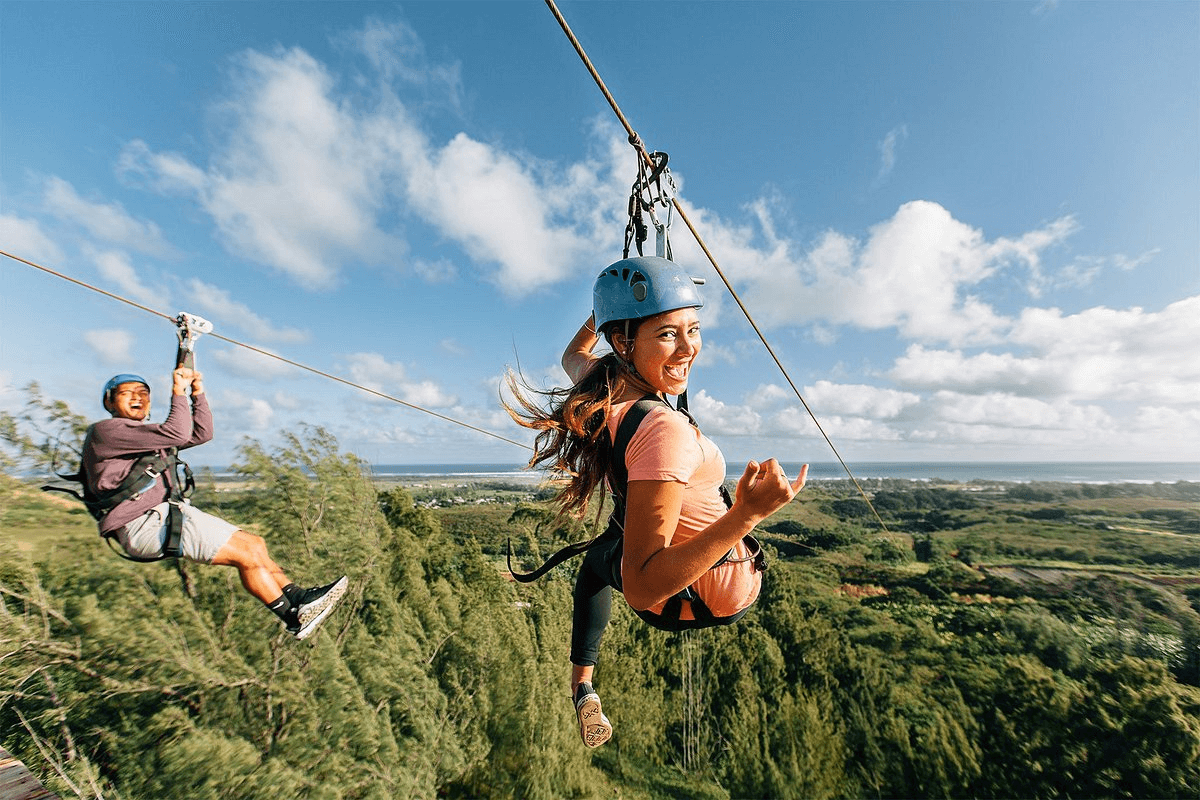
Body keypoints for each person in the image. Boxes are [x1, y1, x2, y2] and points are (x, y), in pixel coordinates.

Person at [507, 256, 808, 748]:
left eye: (694, 329)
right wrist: (747, 515)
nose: (689, 348)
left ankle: (582, 684)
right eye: (668, 334)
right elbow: (643, 587)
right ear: (624, 342)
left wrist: (607, 312)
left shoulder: (601, 385)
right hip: (707, 591)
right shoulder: (663, 430)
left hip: (686, 586)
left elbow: (573, 353)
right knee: (606, 562)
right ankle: (582, 684)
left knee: (595, 566)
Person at [79, 367, 347, 640]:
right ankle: (293, 617)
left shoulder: (144, 437)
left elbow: (201, 433)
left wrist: (197, 392)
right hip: (146, 523)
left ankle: (298, 597)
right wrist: (178, 391)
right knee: (246, 555)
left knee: (255, 544)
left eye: (143, 393)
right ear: (109, 402)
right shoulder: (106, 431)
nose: (137, 397)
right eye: (127, 393)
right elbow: (177, 432)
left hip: (164, 515)